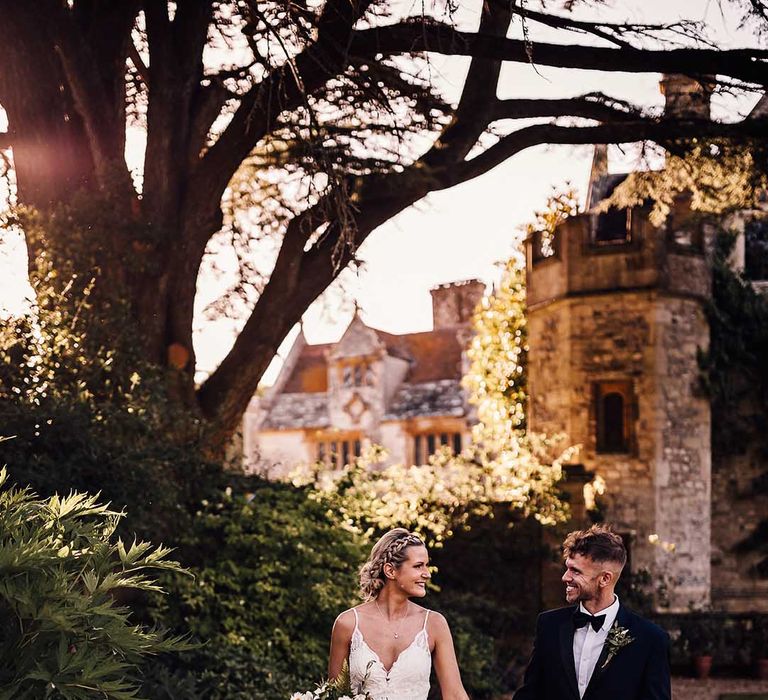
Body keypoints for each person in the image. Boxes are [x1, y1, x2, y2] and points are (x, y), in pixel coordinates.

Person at [513, 524, 671, 700]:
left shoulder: (650, 639)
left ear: (604, 579)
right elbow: (529, 695)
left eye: (575, 571)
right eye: (567, 567)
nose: (565, 577)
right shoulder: (549, 625)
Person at [328, 528, 469, 700]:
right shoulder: (347, 623)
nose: (427, 574)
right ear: (390, 571)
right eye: (418, 566)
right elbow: (333, 694)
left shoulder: (434, 624)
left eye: (426, 565)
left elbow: (455, 695)